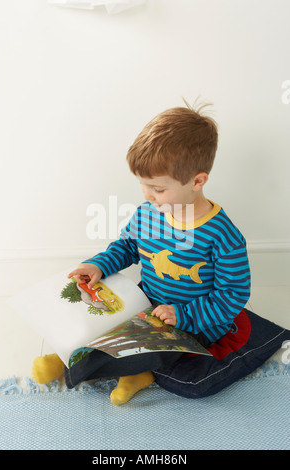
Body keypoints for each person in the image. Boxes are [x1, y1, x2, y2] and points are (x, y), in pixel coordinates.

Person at [32, 100, 251, 404]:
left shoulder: (222, 234)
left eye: (158, 189)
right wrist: (100, 265)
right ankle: (69, 357)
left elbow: (233, 294)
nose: (148, 195)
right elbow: (128, 247)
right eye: (143, 185)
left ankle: (127, 373)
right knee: (104, 319)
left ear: (197, 181)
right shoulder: (149, 213)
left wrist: (184, 314)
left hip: (194, 319)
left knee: (155, 346)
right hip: (146, 298)